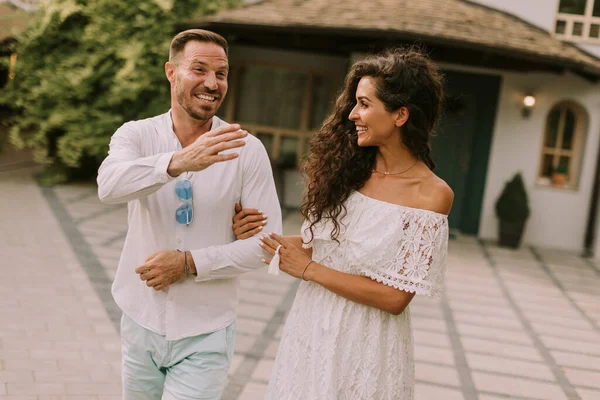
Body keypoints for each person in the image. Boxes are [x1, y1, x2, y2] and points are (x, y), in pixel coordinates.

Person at [233, 47, 453, 399]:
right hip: (311, 327)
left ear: (400, 115)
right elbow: (320, 248)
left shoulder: (432, 195)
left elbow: (395, 297)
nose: (352, 114)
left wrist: (308, 271)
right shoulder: (349, 171)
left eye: (365, 104)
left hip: (368, 344)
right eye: (354, 103)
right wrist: (255, 233)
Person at [96, 29, 282, 400]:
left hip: (206, 329)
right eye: (199, 70)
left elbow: (267, 244)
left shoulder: (246, 149)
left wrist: (189, 263)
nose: (212, 84)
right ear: (171, 72)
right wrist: (177, 163)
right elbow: (109, 187)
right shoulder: (136, 135)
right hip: (140, 318)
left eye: (221, 74)